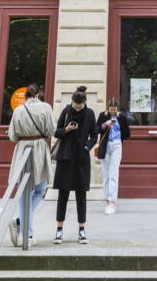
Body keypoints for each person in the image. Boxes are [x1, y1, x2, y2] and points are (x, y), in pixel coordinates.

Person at [6, 83, 53, 248]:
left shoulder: (19, 110)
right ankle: (28, 233)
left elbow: (12, 135)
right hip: (39, 149)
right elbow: (51, 131)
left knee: (23, 191)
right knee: (40, 189)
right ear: (38, 95)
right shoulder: (46, 108)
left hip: (22, 150)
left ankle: (19, 221)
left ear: (26, 95)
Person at [52, 86, 96, 245]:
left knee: (81, 195)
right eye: (75, 105)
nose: (77, 108)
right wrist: (67, 129)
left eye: (80, 106)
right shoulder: (66, 111)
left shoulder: (90, 113)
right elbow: (56, 132)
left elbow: (95, 134)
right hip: (65, 157)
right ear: (72, 101)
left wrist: (87, 147)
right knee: (63, 194)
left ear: (84, 102)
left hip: (81, 158)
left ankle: (82, 230)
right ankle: (59, 230)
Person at [96, 95, 133, 214]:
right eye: (111, 109)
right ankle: (107, 200)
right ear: (107, 108)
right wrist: (105, 125)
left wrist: (118, 132)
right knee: (106, 175)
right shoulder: (103, 116)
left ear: (117, 108)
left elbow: (127, 134)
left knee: (113, 174)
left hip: (116, 145)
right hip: (105, 146)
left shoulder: (121, 117)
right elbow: (96, 130)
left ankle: (112, 202)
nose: (113, 111)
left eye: (114, 109)